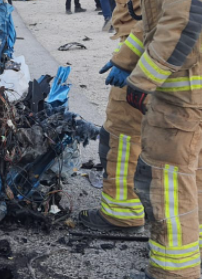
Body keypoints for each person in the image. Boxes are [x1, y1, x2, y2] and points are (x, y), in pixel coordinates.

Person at [113, 0, 202, 279]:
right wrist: (126, 58)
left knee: (167, 179)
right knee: (193, 170)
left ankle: (173, 273)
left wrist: (143, 80)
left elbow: (181, 21)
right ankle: (196, 251)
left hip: (184, 89)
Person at [79, 0, 142, 235]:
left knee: (122, 135)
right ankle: (141, 202)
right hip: (151, 55)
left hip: (143, 59)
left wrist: (127, 60)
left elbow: (161, 22)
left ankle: (122, 214)